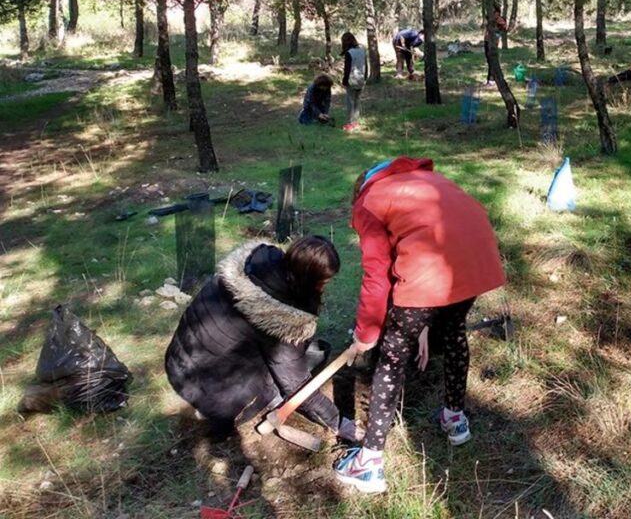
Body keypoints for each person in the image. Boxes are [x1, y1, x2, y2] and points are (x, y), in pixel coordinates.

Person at [333, 157, 506, 494]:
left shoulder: (369, 201)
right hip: (477, 261)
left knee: (392, 358)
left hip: (433, 271)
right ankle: (455, 419)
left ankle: (368, 464)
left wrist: (365, 333)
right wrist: (423, 324)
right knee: (455, 331)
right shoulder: (425, 180)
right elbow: (427, 233)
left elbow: (377, 276)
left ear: (359, 190)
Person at [164, 237, 358, 440]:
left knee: (296, 352)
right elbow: (295, 384)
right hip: (209, 392)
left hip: (177, 360)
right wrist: (338, 422)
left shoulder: (254, 263)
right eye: (324, 282)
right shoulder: (281, 317)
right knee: (297, 365)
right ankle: (251, 404)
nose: (325, 287)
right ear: (308, 280)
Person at [341, 32, 368, 132]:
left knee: (350, 102)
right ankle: (356, 122)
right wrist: (365, 78)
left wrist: (344, 81)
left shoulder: (349, 53)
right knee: (357, 101)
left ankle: (350, 123)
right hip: (361, 79)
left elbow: (347, 69)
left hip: (352, 80)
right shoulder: (362, 50)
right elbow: (366, 65)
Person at [484, 2, 509, 85]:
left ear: (497, 12)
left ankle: (492, 79)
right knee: (488, 60)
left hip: (493, 42)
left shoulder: (499, 20)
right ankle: (490, 78)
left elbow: (504, 28)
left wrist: (497, 29)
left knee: (492, 60)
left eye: (494, 12)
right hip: (487, 40)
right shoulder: (490, 18)